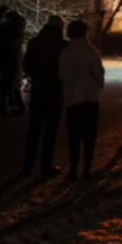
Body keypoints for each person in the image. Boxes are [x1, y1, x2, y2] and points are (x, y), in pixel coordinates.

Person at [58, 20, 105, 181]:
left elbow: (62, 73)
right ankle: (87, 168)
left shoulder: (66, 52)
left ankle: (73, 168)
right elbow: (99, 73)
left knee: (74, 135)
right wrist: (98, 86)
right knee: (89, 135)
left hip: (72, 99)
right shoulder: (91, 50)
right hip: (90, 98)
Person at [21, 15, 67, 177]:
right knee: (50, 130)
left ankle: (27, 166)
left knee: (34, 129)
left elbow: (26, 64)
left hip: (38, 90)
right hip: (55, 91)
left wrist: (36, 75)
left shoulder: (35, 42)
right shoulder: (63, 45)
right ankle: (46, 165)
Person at [0, 10, 28, 115]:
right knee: (13, 84)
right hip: (14, 58)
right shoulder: (18, 30)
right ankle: (19, 107)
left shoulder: (10, 31)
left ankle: (3, 108)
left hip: (10, 59)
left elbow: (9, 46)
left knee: (6, 83)